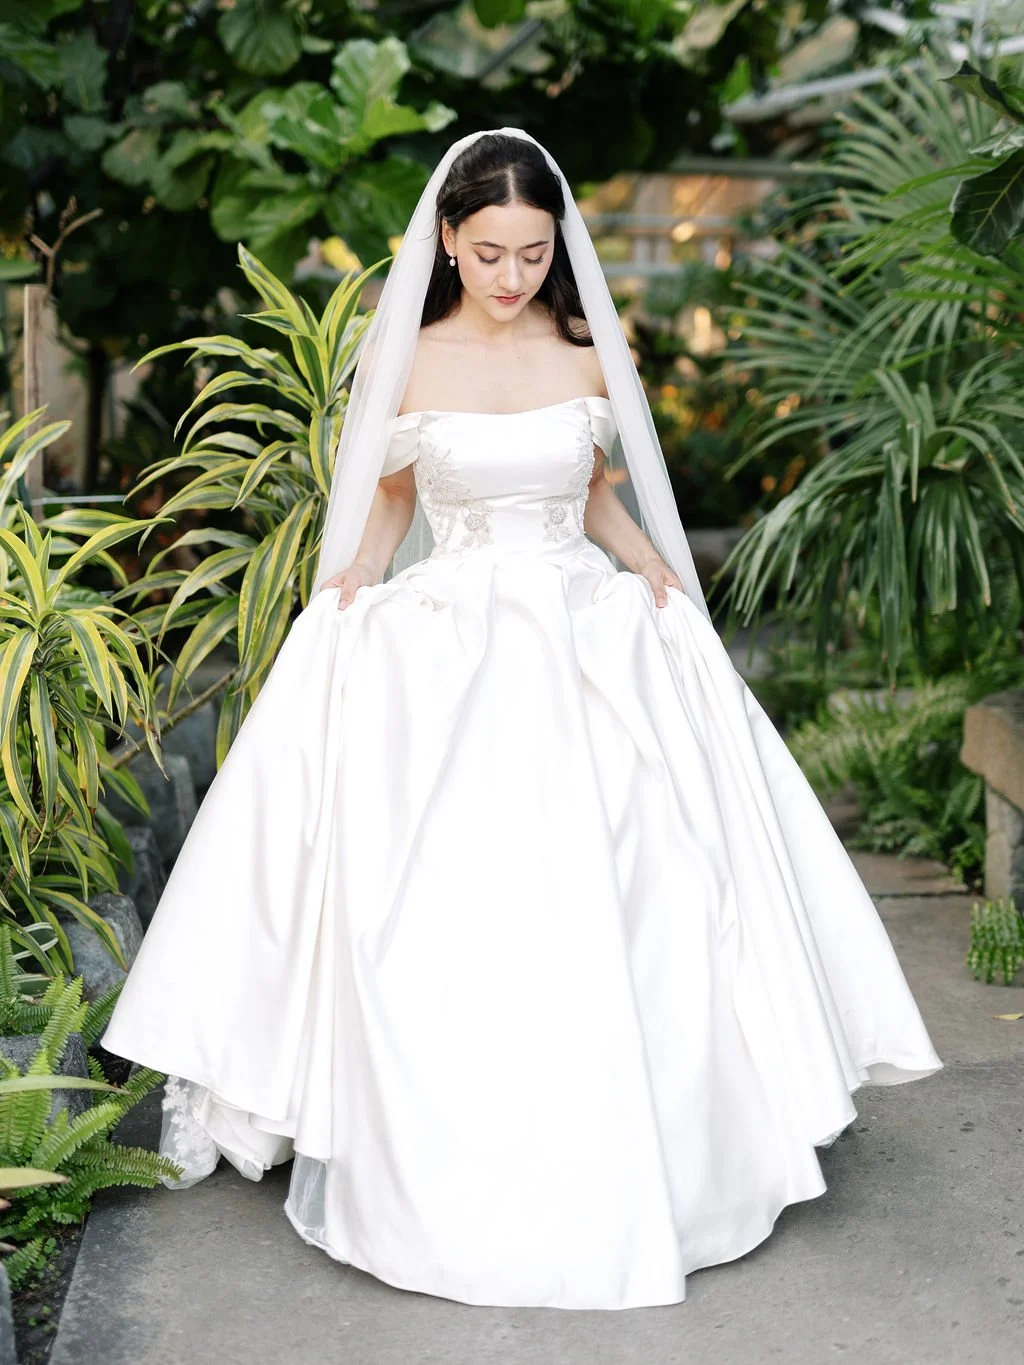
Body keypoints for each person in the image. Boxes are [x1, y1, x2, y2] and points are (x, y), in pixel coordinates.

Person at [100, 128, 942, 1312]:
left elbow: (593, 491)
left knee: (644, 872)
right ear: (446, 241)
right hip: (451, 640)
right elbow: (391, 502)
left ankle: (667, 1155)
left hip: (581, 631)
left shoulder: (585, 345)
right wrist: (347, 586)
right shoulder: (408, 360)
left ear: (561, 247)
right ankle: (449, 1158)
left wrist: (654, 570)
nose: (512, 276)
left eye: (534, 253)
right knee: (439, 893)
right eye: (489, 252)